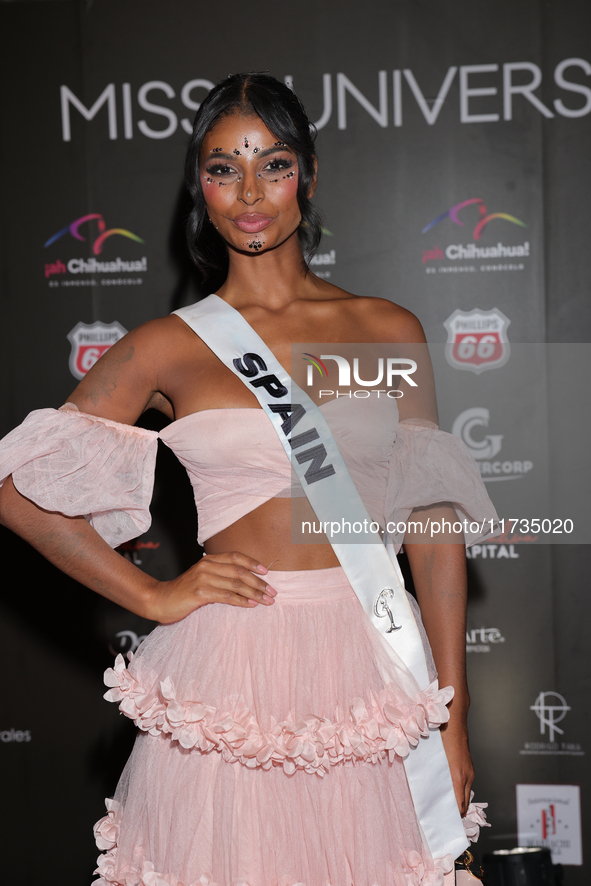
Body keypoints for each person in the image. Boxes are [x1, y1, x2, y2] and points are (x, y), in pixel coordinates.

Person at [0, 73, 494, 886]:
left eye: (274, 162)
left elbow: (432, 526)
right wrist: (155, 596)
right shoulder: (166, 344)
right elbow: (21, 493)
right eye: (224, 167)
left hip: (370, 657)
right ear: (200, 185)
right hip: (232, 668)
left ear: (307, 174)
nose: (250, 191)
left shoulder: (386, 328)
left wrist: (452, 713)